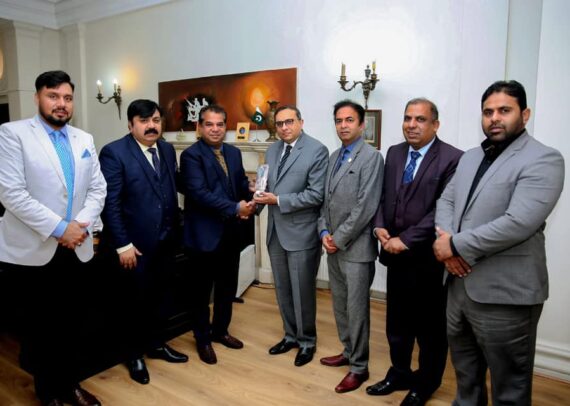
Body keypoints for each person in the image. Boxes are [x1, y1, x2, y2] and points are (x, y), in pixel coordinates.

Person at [433, 80, 564, 406]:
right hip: (458, 289)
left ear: (525, 114)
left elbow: (518, 223)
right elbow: (446, 201)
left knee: (510, 390)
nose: (494, 118)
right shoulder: (470, 157)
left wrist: (454, 245)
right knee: (466, 381)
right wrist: (448, 246)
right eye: (488, 112)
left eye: (504, 110)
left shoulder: (544, 159)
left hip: (506, 295)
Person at [0, 70, 106, 406]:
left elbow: (98, 189)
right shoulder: (12, 134)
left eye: (67, 97)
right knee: (41, 328)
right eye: (53, 96)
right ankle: (49, 394)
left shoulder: (84, 138)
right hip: (34, 249)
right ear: (37, 98)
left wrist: (79, 227)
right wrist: (61, 228)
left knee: (74, 323)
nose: (61, 104)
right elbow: (12, 193)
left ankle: (71, 385)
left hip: (77, 247)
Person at [367, 98, 462, 406]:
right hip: (394, 257)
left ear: (435, 124)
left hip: (428, 260)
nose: (411, 124)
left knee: (430, 329)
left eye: (420, 119)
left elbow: (443, 210)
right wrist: (379, 227)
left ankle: (426, 382)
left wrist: (405, 239)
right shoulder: (394, 153)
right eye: (408, 118)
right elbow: (383, 196)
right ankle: (399, 373)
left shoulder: (453, 158)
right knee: (397, 323)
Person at [99, 99, 188, 385]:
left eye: (156, 120)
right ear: (131, 125)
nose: (151, 126)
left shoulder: (166, 149)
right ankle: (134, 355)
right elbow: (110, 203)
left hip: (165, 242)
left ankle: (156, 344)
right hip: (134, 246)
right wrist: (122, 244)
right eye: (144, 121)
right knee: (133, 303)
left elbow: (171, 187)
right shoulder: (114, 153)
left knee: (160, 297)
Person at [254, 105, 328, 367]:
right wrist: (256, 198)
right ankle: (290, 335)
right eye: (280, 123)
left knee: (302, 291)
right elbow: (267, 185)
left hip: (302, 233)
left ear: (300, 122)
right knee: (283, 289)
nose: (284, 127)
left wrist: (278, 200)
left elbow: (316, 195)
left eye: (289, 122)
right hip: (275, 231)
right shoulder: (272, 149)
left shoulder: (317, 150)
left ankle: (307, 341)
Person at [317, 100, 384, 393]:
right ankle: (348, 351)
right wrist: (323, 232)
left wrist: (338, 238)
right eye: (338, 120)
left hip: (356, 249)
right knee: (340, 305)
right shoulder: (334, 157)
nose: (343, 125)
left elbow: (365, 207)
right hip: (332, 245)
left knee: (356, 310)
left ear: (361, 124)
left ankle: (359, 367)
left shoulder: (372, 158)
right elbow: (325, 201)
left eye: (349, 120)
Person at [181, 104, 255, 364]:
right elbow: (199, 193)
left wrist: (251, 190)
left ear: (226, 126)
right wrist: (236, 208)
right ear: (199, 127)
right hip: (203, 236)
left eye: (220, 124)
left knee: (227, 288)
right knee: (201, 293)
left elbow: (238, 184)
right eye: (209, 124)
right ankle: (202, 339)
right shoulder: (191, 156)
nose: (215, 129)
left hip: (230, 234)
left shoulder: (233, 153)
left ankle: (220, 331)